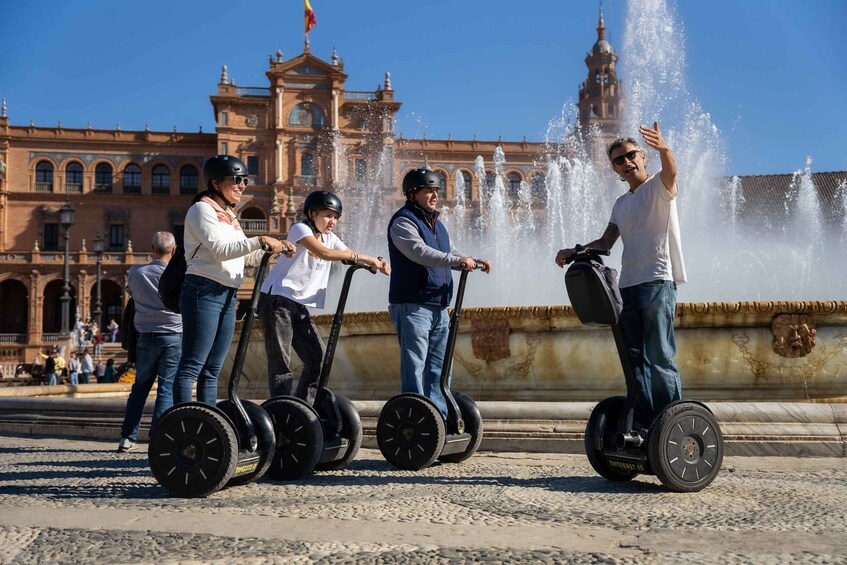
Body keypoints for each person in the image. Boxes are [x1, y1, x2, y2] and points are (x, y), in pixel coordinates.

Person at [555, 122, 685, 434]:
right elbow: (606, 243)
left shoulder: (659, 186)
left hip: (657, 281)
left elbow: (672, 171)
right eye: (618, 160)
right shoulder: (621, 203)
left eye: (630, 156)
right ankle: (642, 423)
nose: (626, 163)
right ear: (614, 169)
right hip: (627, 286)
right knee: (635, 358)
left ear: (643, 157)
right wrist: (574, 251)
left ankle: (671, 423)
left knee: (660, 356)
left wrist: (664, 148)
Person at [173, 154, 293, 406]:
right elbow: (221, 250)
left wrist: (276, 250)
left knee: (213, 368)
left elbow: (244, 257)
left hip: (228, 294)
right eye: (237, 180)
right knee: (192, 365)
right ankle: (182, 420)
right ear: (216, 183)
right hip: (202, 291)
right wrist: (261, 239)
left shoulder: (229, 215)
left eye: (245, 181)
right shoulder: (202, 209)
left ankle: (208, 421)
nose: (242, 185)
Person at [259, 191, 390, 402]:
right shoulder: (300, 229)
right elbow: (325, 254)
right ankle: (281, 410)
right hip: (277, 299)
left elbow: (347, 254)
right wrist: (362, 257)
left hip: (298, 303)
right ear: (312, 214)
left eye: (336, 217)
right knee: (281, 362)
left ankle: (303, 407)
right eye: (328, 215)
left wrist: (376, 261)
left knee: (318, 358)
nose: (332, 222)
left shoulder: (331, 238)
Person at [387, 168, 492, 418]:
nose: (435, 195)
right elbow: (418, 252)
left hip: (439, 306)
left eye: (436, 190)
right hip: (413, 305)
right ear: (413, 193)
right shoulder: (403, 221)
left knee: (440, 366)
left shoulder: (438, 225)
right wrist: (458, 261)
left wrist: (472, 260)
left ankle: (438, 418)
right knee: (415, 365)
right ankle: (415, 416)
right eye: (429, 191)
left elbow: (451, 252)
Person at [118, 231, 183, 453]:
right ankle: (158, 439)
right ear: (173, 251)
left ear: (152, 249)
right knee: (166, 389)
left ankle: (127, 438)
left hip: (145, 336)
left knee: (139, 388)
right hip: (173, 336)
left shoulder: (136, 272)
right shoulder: (178, 275)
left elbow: (131, 293)